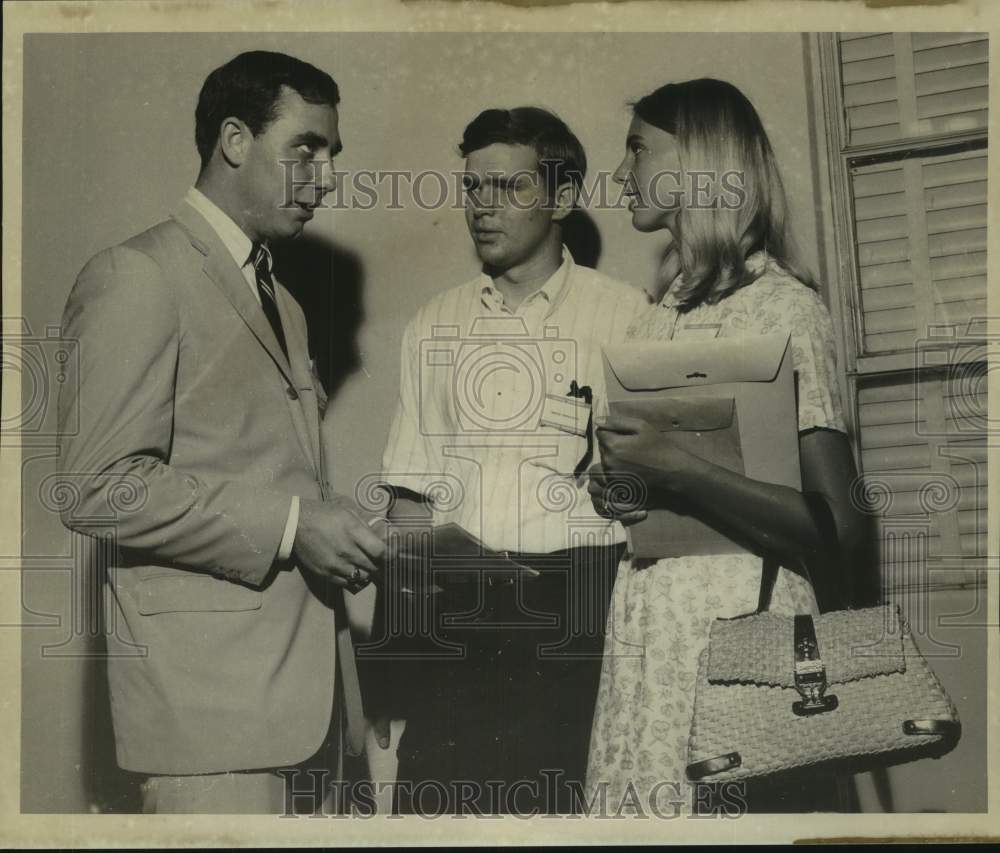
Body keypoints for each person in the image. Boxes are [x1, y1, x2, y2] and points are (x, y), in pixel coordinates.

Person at [57, 50, 385, 814]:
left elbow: (268, 469)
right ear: (234, 141)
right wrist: (296, 527)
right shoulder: (136, 275)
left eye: (332, 154)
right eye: (305, 148)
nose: (326, 176)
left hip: (308, 709)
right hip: (210, 721)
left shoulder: (284, 299)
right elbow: (96, 488)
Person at [585, 78, 869, 815]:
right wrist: (616, 480)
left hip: (745, 640)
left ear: (700, 161)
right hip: (651, 641)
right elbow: (649, 500)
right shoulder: (658, 317)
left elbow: (838, 525)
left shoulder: (785, 310)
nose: (622, 174)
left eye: (638, 149)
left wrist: (676, 462)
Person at [368, 106, 648, 814]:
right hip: (459, 619)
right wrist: (400, 653)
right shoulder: (435, 323)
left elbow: (654, 493)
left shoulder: (629, 317)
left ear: (560, 198)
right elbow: (408, 502)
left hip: (579, 618)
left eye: (508, 189)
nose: (482, 208)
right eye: (473, 188)